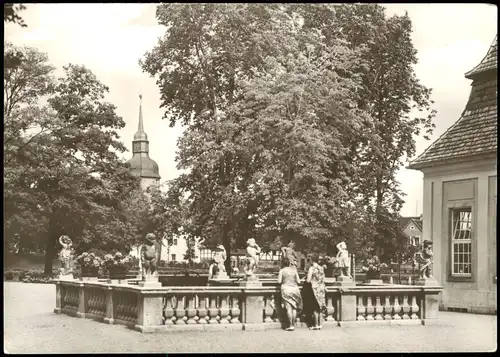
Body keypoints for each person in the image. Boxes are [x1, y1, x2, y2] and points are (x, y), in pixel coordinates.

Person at [278, 257, 303, 331]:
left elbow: (279, 281)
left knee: (288, 308)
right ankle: (293, 324)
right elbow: (298, 281)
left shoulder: (282, 271)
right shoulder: (294, 270)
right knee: (294, 307)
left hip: (286, 289)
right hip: (295, 289)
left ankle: (290, 325)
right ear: (289, 263)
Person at [302, 255, 326, 330]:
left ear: (312, 260)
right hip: (321, 288)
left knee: (314, 307)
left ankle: (315, 325)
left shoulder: (312, 268)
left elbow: (308, 280)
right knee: (319, 307)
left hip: (314, 289)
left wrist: (306, 277)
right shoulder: (321, 268)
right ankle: (319, 324)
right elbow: (323, 279)